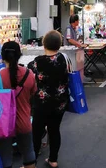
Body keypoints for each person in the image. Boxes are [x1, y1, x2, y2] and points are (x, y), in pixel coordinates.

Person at [0, 41, 37, 168]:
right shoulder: (29, 74)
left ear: (2, 57)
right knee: (28, 153)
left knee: (5, 158)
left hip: (3, 125)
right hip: (24, 122)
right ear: (19, 55)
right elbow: (33, 93)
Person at [30, 31, 70, 168]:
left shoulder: (37, 62)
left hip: (42, 103)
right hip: (60, 102)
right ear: (59, 44)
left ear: (43, 43)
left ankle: (31, 162)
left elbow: (30, 74)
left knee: (36, 132)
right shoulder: (63, 58)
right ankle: (53, 160)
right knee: (54, 129)